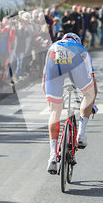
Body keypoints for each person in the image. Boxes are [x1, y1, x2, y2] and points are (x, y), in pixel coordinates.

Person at [42, 33, 97, 174]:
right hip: (75, 64)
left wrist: (51, 106)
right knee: (88, 94)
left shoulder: (53, 46)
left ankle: (53, 156)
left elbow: (44, 84)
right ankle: (81, 135)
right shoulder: (80, 48)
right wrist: (91, 102)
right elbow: (92, 83)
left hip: (54, 63)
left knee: (55, 112)